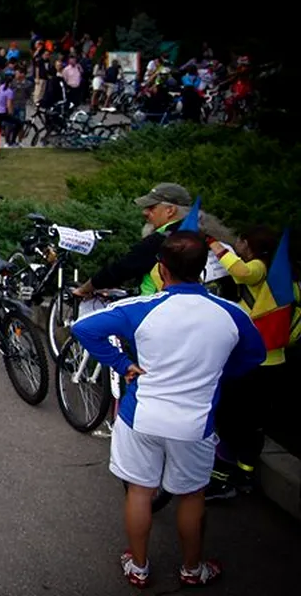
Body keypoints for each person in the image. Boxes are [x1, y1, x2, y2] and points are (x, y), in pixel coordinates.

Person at [71, 232, 265, 588]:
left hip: (140, 417)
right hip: (196, 425)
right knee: (191, 496)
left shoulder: (141, 308)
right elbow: (256, 355)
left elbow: (84, 328)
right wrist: (217, 371)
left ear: (161, 269)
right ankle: (193, 569)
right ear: (203, 271)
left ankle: (139, 567)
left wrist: (122, 363)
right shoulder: (232, 314)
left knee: (140, 491)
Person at [207, 226, 294, 497]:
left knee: (231, 418)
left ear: (248, 244)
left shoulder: (259, 268)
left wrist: (214, 245)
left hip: (251, 360)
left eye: (240, 242)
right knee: (254, 421)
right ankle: (245, 474)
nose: (238, 246)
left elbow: (242, 272)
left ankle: (222, 479)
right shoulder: (287, 277)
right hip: (275, 360)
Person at [73, 183, 232, 298]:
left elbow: (123, 267)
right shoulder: (205, 232)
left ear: (170, 210)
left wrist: (86, 288)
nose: (145, 212)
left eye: (151, 207)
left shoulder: (169, 239)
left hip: (157, 307)